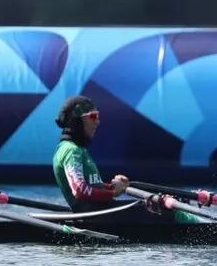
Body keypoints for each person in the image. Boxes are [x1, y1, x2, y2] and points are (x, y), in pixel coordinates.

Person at [51, 95, 199, 223]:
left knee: (158, 205)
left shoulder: (75, 149)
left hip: (101, 213)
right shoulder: (71, 151)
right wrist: (113, 193)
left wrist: (113, 187)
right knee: (161, 208)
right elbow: (80, 190)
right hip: (99, 217)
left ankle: (197, 225)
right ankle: (204, 231)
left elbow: (91, 186)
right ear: (76, 120)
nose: (97, 122)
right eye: (93, 116)